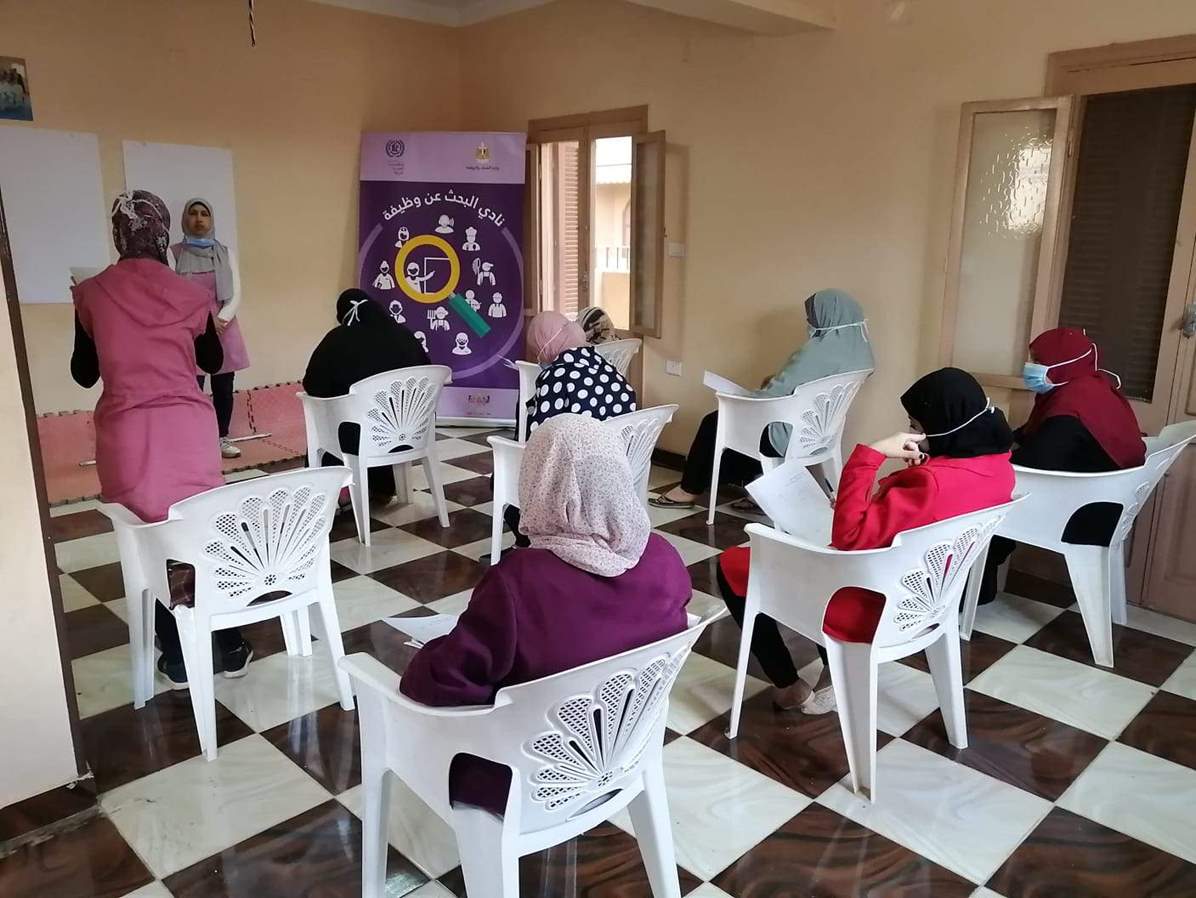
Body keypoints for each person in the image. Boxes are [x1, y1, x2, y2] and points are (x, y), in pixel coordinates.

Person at [399, 414, 691, 814]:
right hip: (622, 755)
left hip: (526, 779)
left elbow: (447, 683)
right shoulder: (664, 558)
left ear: (541, 483)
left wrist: (429, 655)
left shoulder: (519, 581)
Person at [717, 367, 1015, 714]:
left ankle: (789, 685)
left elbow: (848, 540)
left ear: (943, 426)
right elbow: (920, 517)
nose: (912, 434)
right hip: (929, 596)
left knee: (733, 563)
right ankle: (832, 672)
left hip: (870, 602)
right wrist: (879, 492)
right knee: (809, 549)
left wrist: (869, 455)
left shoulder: (931, 483)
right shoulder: (999, 467)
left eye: (917, 426)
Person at [72, 190, 252, 688]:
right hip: (188, 430)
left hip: (128, 433)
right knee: (201, 532)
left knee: (151, 539)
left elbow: (84, 374)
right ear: (163, 232)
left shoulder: (91, 292)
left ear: (118, 235)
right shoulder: (190, 294)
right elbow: (213, 362)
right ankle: (229, 643)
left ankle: (175, 654)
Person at [652, 289, 875, 509]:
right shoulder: (862, 352)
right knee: (740, 426)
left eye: (813, 318)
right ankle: (762, 487)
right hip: (821, 433)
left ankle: (688, 490)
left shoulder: (816, 351)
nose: (810, 323)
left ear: (827, 316)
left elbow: (773, 395)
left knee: (714, 422)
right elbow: (808, 387)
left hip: (789, 434)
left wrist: (743, 397)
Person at [978, 327, 1146, 603]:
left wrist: (983, 459)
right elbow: (1034, 434)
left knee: (986, 498)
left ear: (1062, 364)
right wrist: (1006, 439)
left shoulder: (1071, 407)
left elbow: (1036, 462)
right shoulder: (1090, 388)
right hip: (1107, 501)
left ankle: (977, 586)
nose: (1031, 367)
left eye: (1038, 360)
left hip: (1084, 513)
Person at [302, 288, 430, 500]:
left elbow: (313, 385)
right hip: (412, 434)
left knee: (330, 425)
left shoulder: (338, 339)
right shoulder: (405, 335)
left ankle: (323, 497)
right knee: (382, 414)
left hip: (360, 439)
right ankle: (383, 487)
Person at [172, 198, 250, 460]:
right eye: (193, 213)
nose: (199, 219)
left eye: (204, 213)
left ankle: (221, 438)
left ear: (211, 219)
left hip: (223, 329)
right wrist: (203, 321)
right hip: (189, 330)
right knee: (191, 388)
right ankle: (193, 441)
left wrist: (220, 320)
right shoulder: (173, 254)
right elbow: (173, 294)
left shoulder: (225, 253)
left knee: (223, 388)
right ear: (185, 219)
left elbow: (235, 293)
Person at [525, 310, 637, 436]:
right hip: (620, 447)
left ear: (545, 347)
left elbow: (538, 436)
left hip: (579, 448)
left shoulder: (554, 377)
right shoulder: (610, 369)